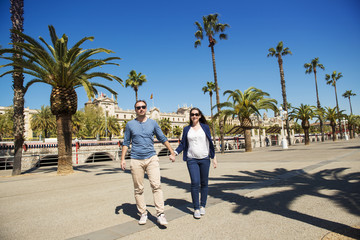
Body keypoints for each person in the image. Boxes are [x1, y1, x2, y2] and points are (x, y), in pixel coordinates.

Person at [121, 100, 176, 226]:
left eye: (143, 107)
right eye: (138, 107)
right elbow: (126, 142)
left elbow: (162, 138)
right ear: (135, 110)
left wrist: (172, 151)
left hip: (152, 158)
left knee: (156, 185)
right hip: (136, 159)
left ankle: (160, 214)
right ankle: (143, 213)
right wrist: (123, 159)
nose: (141, 109)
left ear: (146, 109)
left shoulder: (153, 123)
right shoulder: (130, 125)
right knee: (138, 189)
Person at [170, 107, 217, 219]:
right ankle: (196, 208)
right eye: (192, 114)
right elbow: (183, 144)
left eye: (196, 114)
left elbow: (210, 142)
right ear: (190, 116)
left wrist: (214, 157)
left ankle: (203, 206)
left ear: (200, 116)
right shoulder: (187, 129)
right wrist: (174, 153)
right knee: (195, 182)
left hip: (205, 158)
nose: (194, 116)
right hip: (192, 159)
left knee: (204, 183)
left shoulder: (205, 127)